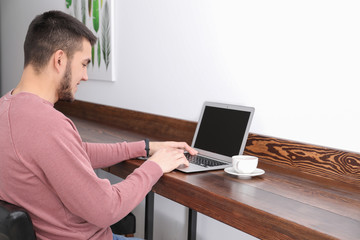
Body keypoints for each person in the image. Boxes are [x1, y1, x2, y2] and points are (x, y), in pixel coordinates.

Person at [0, 10, 197, 240]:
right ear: (60, 60)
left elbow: (75, 153)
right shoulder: (48, 124)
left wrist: (144, 147)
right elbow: (107, 208)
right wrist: (155, 165)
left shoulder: (7, 108)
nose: (85, 76)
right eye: (84, 64)